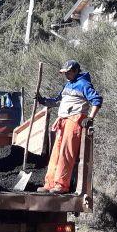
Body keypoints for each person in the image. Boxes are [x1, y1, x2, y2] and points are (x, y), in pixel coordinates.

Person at [37, 60, 103, 194]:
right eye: (64, 73)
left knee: (66, 153)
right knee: (56, 152)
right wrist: (43, 100)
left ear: (75, 71)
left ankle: (61, 185)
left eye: (68, 72)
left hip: (75, 119)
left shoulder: (84, 84)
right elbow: (57, 100)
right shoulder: (68, 85)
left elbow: (97, 100)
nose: (66, 75)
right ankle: (49, 184)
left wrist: (90, 118)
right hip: (63, 120)